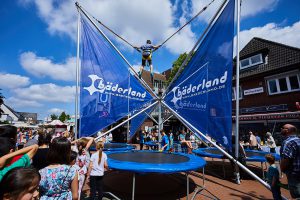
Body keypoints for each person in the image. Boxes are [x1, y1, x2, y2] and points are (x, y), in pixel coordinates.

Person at [280, 124, 300, 199]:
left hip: (294, 174)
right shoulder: (298, 140)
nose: (281, 129)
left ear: (287, 130)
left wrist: (281, 169)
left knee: (297, 196)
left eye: (282, 128)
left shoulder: (288, 142)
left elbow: (286, 159)